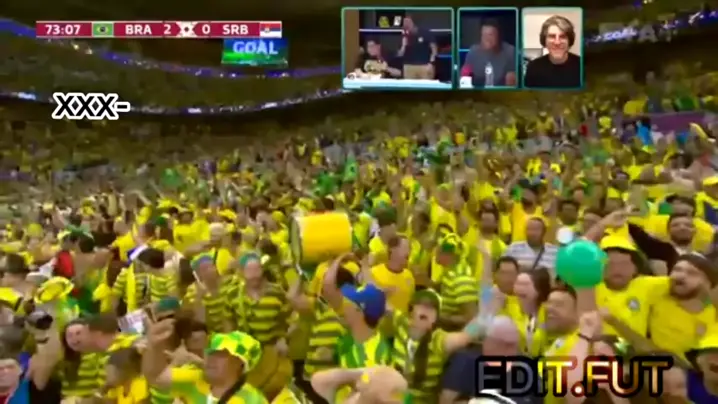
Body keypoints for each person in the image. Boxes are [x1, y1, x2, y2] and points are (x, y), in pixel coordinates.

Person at [523, 15, 582, 89]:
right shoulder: (533, 67)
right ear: (544, 40)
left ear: (569, 41)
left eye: (563, 37)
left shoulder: (582, 65)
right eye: (552, 36)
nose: (557, 42)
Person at [460, 19, 517, 88]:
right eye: (484, 35)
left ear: (498, 36)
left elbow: (511, 85)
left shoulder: (509, 51)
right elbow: (464, 76)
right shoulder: (473, 51)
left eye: (490, 35)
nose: (487, 39)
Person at [397, 15, 437, 79]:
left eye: (408, 22)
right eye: (404, 23)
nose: (406, 24)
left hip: (425, 65)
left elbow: (434, 50)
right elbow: (400, 54)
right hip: (408, 67)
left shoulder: (425, 33)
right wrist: (403, 46)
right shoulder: (403, 36)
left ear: (413, 23)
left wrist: (431, 63)